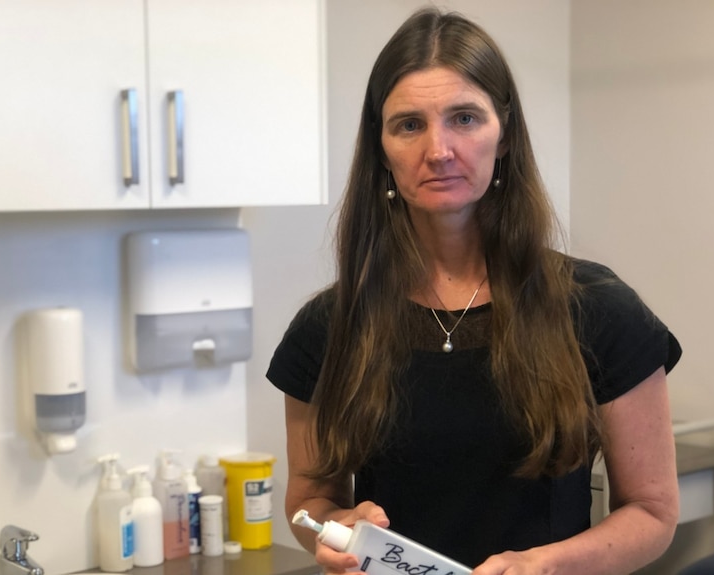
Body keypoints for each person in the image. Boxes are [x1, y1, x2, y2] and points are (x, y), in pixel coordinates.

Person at [266, 6, 682, 575]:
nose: (438, 149)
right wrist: (334, 528)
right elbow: (307, 502)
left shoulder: (597, 310)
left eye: (464, 118)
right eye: (409, 124)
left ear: (504, 135)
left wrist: (546, 565)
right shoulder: (329, 326)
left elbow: (653, 513)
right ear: (381, 149)